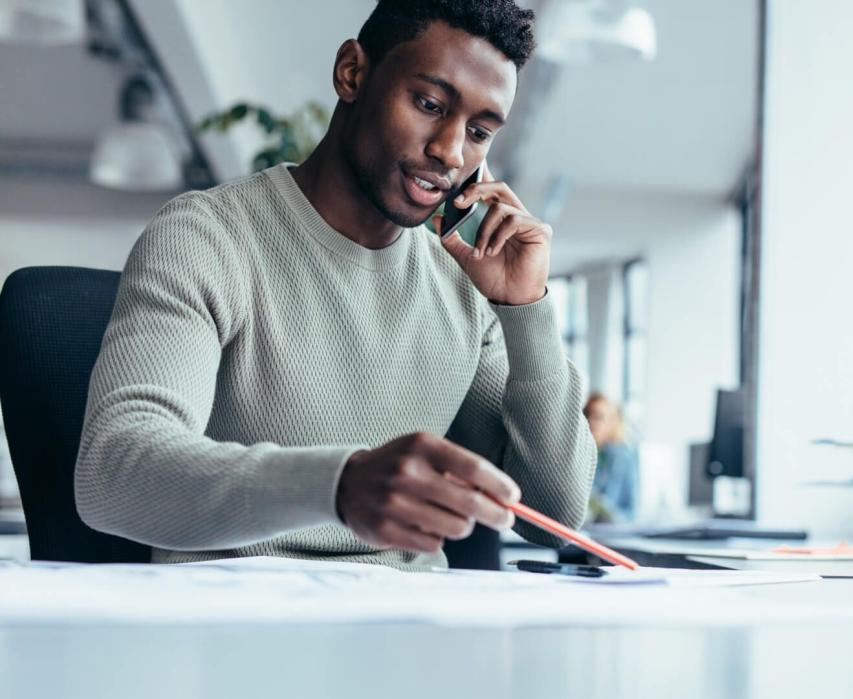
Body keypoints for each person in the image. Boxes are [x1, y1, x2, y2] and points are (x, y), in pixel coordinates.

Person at [74, 0, 595, 571]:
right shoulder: (209, 236)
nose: (449, 151)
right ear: (352, 72)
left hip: (412, 634)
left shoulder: (461, 275)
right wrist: (336, 485)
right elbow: (113, 473)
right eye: (428, 104)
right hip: (237, 628)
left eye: (477, 131)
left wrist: (523, 309)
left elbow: (554, 515)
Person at [583, 394, 638, 522]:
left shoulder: (620, 455)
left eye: (598, 417)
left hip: (613, 524)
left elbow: (609, 506)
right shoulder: (582, 453)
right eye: (587, 415)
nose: (591, 421)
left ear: (612, 423)